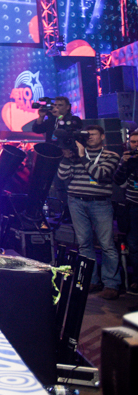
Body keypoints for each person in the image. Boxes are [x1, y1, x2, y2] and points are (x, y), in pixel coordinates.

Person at [57, 125, 121, 300]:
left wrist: (82, 156)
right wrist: (67, 157)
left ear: (102, 136)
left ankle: (111, 284)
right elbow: (63, 176)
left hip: (100, 203)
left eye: (94, 134)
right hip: (76, 201)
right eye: (88, 135)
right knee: (84, 243)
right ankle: (90, 280)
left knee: (107, 245)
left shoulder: (111, 156)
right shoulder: (76, 155)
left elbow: (100, 174)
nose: (90, 137)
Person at [114, 131, 138, 294]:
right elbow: (118, 181)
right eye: (133, 142)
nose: (136, 145)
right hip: (133, 207)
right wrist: (124, 163)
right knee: (134, 245)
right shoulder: (128, 160)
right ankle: (136, 278)